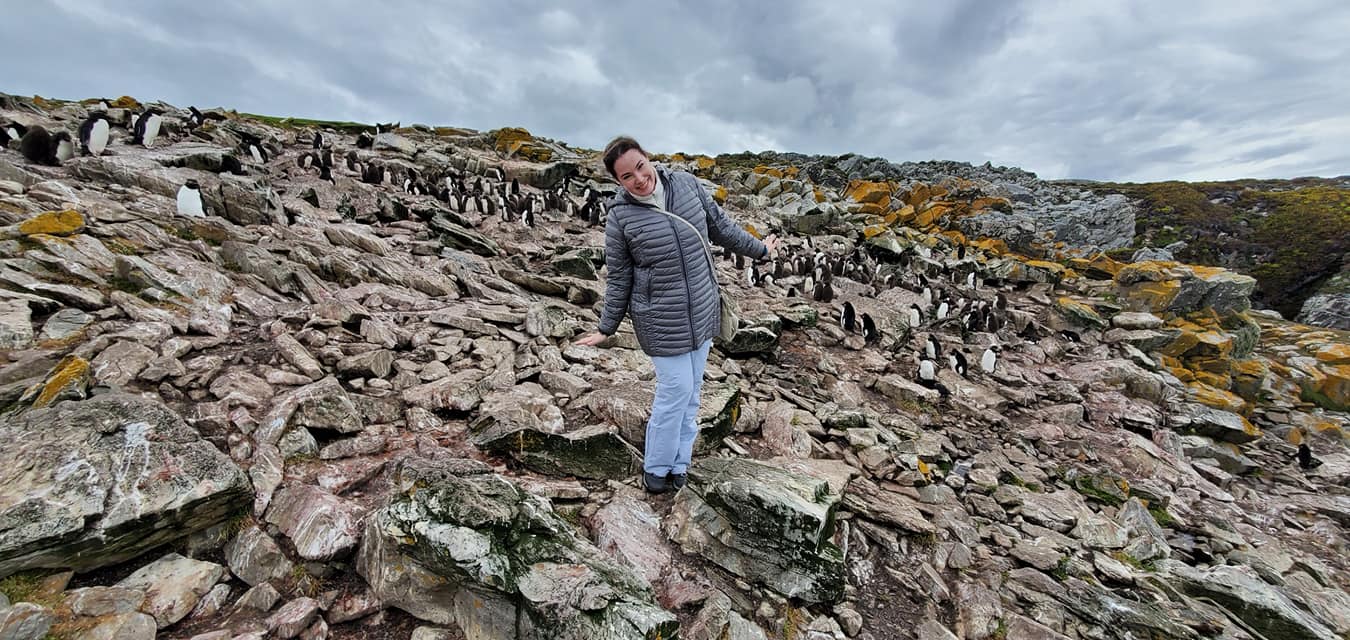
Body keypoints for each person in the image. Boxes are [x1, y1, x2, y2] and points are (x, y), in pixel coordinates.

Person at [575, 136, 779, 494]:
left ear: (648, 159)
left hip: (701, 309)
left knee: (694, 392)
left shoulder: (686, 184)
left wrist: (760, 249)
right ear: (617, 182)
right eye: (627, 176)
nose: (639, 179)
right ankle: (656, 467)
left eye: (640, 166)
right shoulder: (621, 218)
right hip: (659, 319)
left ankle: (679, 464)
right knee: (676, 389)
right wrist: (606, 327)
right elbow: (620, 276)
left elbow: (723, 227)